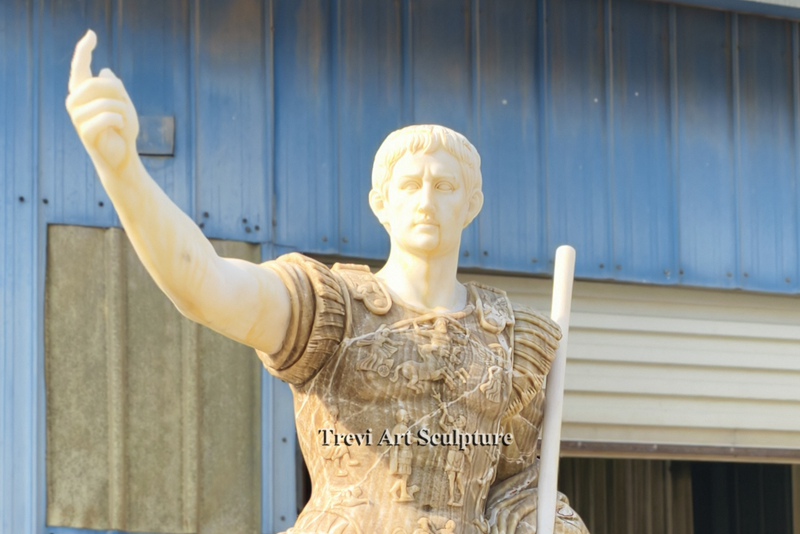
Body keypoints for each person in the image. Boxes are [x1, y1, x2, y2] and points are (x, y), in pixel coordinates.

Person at [67, 30, 588, 534]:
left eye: (444, 185)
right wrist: (124, 171)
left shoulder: (513, 341)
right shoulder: (328, 308)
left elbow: (519, 490)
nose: (426, 201)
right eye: (410, 185)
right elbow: (206, 287)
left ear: (471, 205)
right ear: (381, 204)